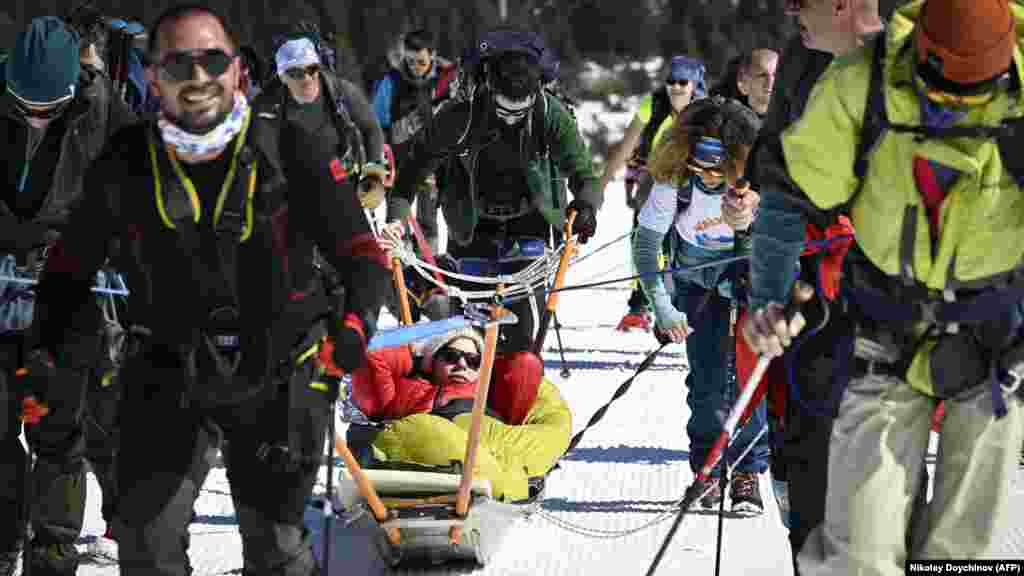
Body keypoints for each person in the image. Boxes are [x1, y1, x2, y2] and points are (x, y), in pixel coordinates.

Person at [21, 4, 391, 575]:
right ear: (153, 77)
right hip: (169, 367)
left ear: (238, 70)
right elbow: (68, 272)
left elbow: (361, 257)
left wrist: (355, 325)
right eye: (177, 64)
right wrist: (46, 351)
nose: (197, 78)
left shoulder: (293, 148)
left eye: (211, 61)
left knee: (276, 549)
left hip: (279, 371)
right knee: (145, 542)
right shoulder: (124, 160)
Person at [742, 0, 1024, 573]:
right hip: (883, 334)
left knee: (959, 556)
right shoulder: (862, 82)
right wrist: (773, 296)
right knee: (860, 555)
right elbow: (791, 196)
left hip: (998, 347)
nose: (953, 106)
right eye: (941, 86)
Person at [744, 0, 883, 571]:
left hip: (901, 309)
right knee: (812, 467)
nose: (788, 8)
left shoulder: (919, 60)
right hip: (815, 301)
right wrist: (767, 300)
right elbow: (777, 194)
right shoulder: (801, 59)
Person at [0, 15, 136, 576]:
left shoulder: (102, 110)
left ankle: (52, 558)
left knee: (57, 430)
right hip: (4, 277)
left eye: (47, 107)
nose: (35, 117)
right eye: (23, 105)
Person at [385, 27, 601, 354]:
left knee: (521, 328)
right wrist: (396, 222)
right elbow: (410, 176)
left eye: (521, 111)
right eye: (504, 110)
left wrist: (585, 204)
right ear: (489, 89)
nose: (512, 119)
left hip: (531, 219)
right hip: (471, 223)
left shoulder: (550, 114)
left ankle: (520, 378)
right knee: (468, 335)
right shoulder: (457, 119)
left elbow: (583, 171)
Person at [632, 95, 767, 515]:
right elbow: (646, 244)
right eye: (699, 167)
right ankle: (706, 469)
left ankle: (747, 470)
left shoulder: (758, 183)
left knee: (749, 382)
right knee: (707, 385)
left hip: (750, 285)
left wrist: (750, 226)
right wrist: (662, 306)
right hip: (698, 288)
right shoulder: (674, 184)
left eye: (719, 170)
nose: (709, 178)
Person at [348, 328, 572, 502]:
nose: (462, 365)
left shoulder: (490, 396)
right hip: (423, 437)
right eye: (451, 356)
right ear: (431, 361)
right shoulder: (406, 388)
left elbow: (528, 373)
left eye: (473, 361)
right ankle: (502, 483)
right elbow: (372, 353)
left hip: (482, 436)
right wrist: (415, 352)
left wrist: (499, 364)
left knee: (516, 444)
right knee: (428, 430)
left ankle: (496, 480)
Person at [597, 55, 707, 332]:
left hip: (695, 186)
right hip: (656, 182)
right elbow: (625, 148)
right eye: (671, 81)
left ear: (695, 84)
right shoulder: (653, 105)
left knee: (680, 250)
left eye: (683, 82)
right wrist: (599, 186)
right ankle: (641, 305)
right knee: (644, 243)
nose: (676, 88)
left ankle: (681, 305)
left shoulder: (708, 110)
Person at [258, 25, 388, 210]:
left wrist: (374, 174)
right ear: (282, 77)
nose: (307, 78)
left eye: (311, 68)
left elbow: (371, 128)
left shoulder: (341, 91)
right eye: (295, 72)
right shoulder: (267, 108)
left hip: (345, 182)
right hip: (298, 194)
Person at [372, 29, 458, 252]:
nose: (414, 67)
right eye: (409, 61)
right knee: (397, 221)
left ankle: (427, 273)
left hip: (433, 161)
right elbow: (377, 123)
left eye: (420, 62)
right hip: (401, 159)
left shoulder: (447, 79)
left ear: (432, 55)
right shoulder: (391, 81)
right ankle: (402, 267)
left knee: (428, 220)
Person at [710, 48, 779, 116]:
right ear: (742, 81)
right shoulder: (721, 115)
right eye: (762, 75)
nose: (771, 82)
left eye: (775, 74)